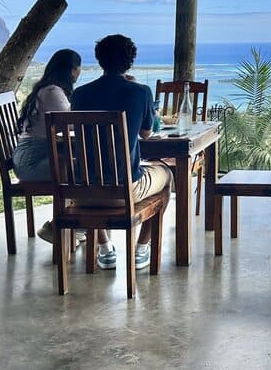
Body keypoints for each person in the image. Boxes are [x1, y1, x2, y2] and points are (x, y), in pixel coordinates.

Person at [70, 34, 172, 271]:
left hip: (82, 193)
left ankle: (105, 249)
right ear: (130, 61)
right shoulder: (140, 92)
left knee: (94, 174)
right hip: (124, 191)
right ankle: (141, 249)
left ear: (100, 60)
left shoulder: (80, 94)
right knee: (167, 175)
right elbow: (147, 133)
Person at [12, 48, 82, 243]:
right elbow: (73, 122)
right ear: (72, 70)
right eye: (78, 68)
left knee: (81, 168)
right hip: (31, 164)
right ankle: (59, 226)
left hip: (33, 158)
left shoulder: (48, 89)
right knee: (87, 170)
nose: (78, 73)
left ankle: (76, 224)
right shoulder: (53, 92)